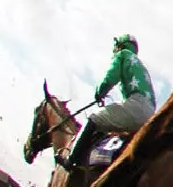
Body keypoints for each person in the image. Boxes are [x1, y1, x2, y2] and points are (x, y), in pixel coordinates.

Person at [65, 34, 157, 171]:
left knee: (94, 118)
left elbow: (110, 78)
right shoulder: (142, 66)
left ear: (120, 46)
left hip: (136, 106)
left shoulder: (123, 54)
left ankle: (71, 160)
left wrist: (100, 92)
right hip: (151, 115)